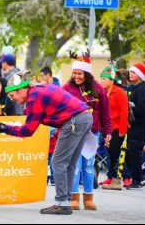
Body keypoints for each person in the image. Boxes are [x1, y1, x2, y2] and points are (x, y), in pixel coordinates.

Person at [0, 70, 93, 215]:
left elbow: (28, 130)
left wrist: (5, 128)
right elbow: (61, 107)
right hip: (85, 117)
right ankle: (66, 201)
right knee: (68, 163)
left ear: (20, 90)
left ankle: (62, 203)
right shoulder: (41, 88)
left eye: (12, 95)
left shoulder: (33, 98)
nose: (13, 100)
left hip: (74, 121)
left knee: (58, 162)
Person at [62, 50, 112, 211]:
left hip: (92, 133)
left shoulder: (98, 88)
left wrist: (108, 132)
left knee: (88, 165)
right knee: (75, 165)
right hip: (73, 131)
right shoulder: (67, 88)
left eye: (80, 73)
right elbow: (58, 106)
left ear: (87, 74)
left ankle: (89, 198)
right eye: (74, 73)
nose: (76, 76)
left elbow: (105, 112)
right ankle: (74, 197)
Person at [100, 63, 130, 190]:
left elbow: (124, 112)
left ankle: (117, 180)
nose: (102, 81)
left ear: (112, 80)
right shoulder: (104, 93)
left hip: (117, 128)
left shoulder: (119, 92)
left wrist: (123, 129)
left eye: (104, 79)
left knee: (116, 154)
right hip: (107, 129)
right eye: (101, 78)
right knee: (109, 154)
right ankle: (112, 178)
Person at [126, 62, 145, 190]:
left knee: (135, 152)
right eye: (130, 72)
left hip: (140, 126)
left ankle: (138, 179)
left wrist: (130, 107)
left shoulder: (142, 90)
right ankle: (139, 177)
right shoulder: (132, 88)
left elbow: (143, 110)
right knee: (130, 152)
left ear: (140, 75)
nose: (131, 74)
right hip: (133, 125)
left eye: (134, 72)